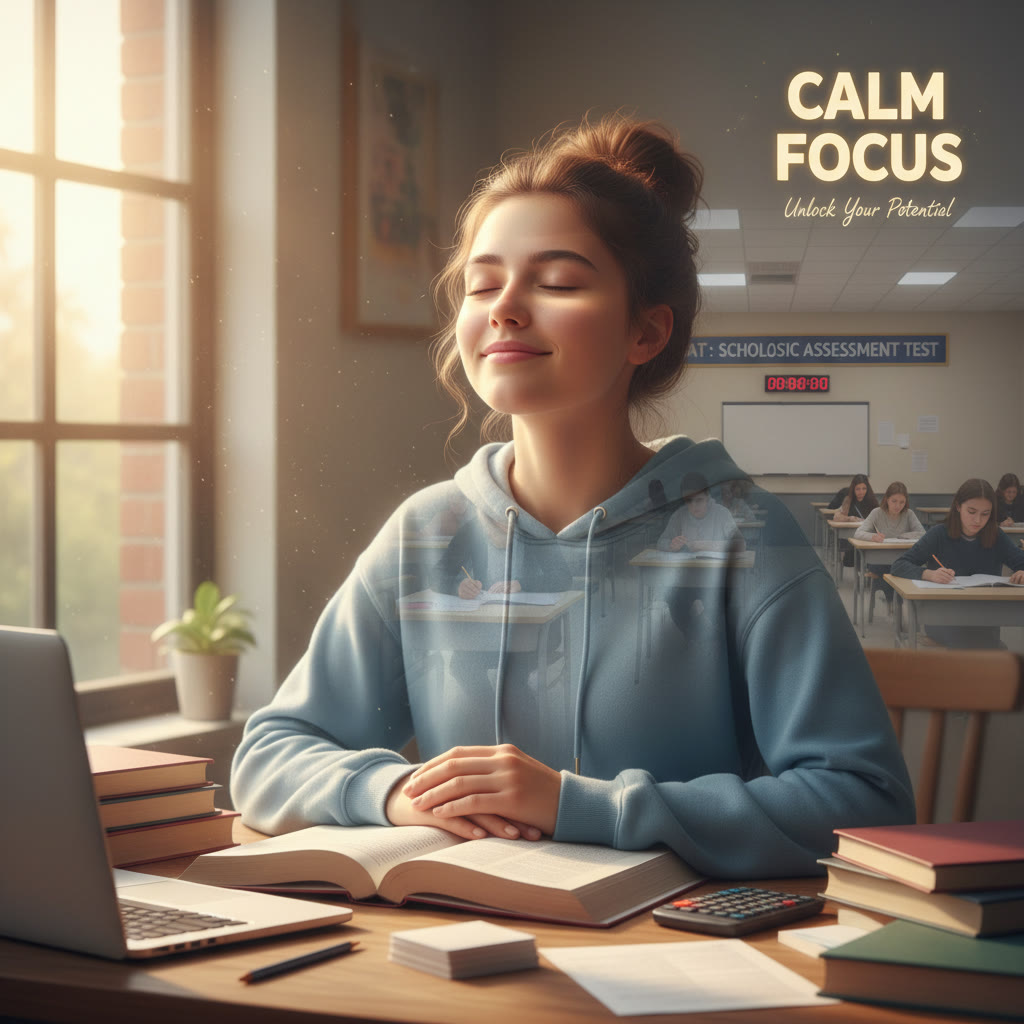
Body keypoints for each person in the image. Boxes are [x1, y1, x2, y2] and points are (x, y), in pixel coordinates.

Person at [231, 114, 913, 879]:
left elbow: (866, 802)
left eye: (556, 282)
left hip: (678, 962)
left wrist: (575, 804)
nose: (506, 307)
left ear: (646, 333)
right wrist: (394, 792)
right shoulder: (425, 533)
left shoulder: (743, 534)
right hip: (466, 950)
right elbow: (267, 754)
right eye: (483, 283)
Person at [891, 478, 1024, 648]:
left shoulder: (995, 535)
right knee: (978, 648)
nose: (977, 520)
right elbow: (899, 565)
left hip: (984, 618)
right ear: (958, 506)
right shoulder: (939, 534)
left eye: (985, 514)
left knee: (985, 647)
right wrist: (929, 574)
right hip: (943, 617)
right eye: (972, 511)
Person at [854, 481, 925, 609]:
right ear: (887, 499)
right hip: (879, 560)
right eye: (894, 501)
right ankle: (894, 604)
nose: (898, 506)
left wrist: (902, 536)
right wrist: (873, 537)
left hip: (902, 559)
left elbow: (922, 534)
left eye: (902, 502)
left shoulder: (908, 514)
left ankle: (899, 606)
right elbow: (858, 533)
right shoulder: (877, 513)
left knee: (903, 569)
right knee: (890, 571)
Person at [832, 474, 878, 566]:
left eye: (864, 488)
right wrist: (850, 519)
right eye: (858, 489)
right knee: (853, 559)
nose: (861, 492)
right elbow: (836, 517)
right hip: (852, 541)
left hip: (868, 539)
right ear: (853, 489)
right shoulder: (848, 500)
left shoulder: (872, 501)